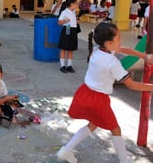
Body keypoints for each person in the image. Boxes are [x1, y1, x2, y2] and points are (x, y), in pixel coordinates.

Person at [56, 22, 153, 163]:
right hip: (98, 100)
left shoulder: (98, 49)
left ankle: (65, 151)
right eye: (118, 38)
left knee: (93, 124)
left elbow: (123, 49)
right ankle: (124, 161)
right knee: (116, 129)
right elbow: (131, 85)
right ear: (108, 43)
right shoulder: (112, 63)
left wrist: (144, 56)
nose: (121, 41)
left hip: (84, 93)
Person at [58, 0, 79, 73]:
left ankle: (69, 65)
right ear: (71, 4)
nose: (77, 6)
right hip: (67, 30)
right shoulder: (64, 12)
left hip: (73, 30)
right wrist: (65, 20)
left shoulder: (73, 12)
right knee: (63, 48)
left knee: (71, 49)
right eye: (76, 4)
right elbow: (59, 22)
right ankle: (62, 66)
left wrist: (76, 22)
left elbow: (73, 22)